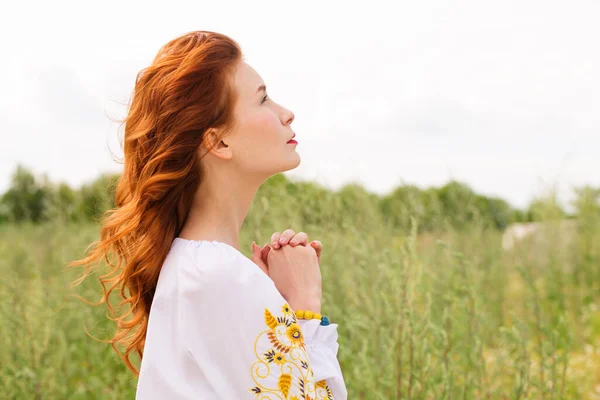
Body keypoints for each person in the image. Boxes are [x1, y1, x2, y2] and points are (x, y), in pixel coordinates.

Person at [69, 30, 347, 399]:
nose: (285, 113)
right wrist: (304, 309)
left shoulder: (203, 268)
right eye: (263, 100)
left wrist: (272, 301)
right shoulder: (220, 276)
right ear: (218, 141)